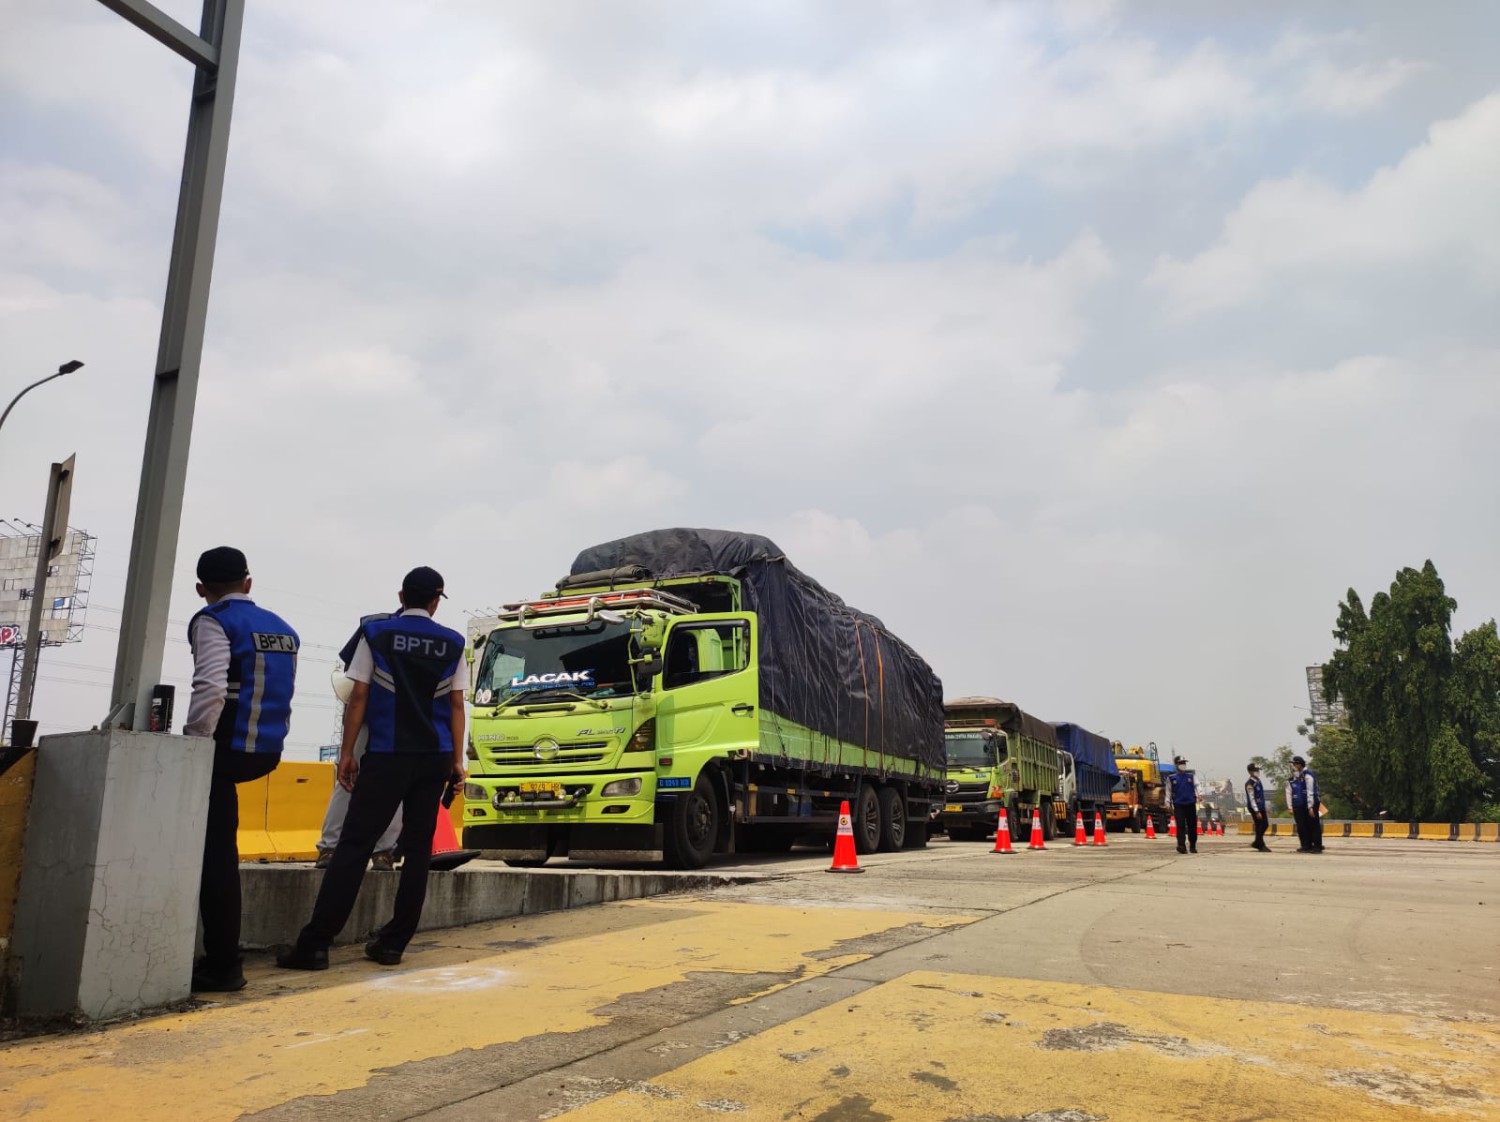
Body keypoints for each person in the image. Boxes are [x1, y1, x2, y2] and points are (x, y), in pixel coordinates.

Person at [278, 567, 466, 970]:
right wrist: (456, 762)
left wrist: (346, 753)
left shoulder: (377, 634)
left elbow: (358, 696)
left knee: (354, 845)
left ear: (401, 595)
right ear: (436, 601)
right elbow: (455, 704)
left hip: (387, 752)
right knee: (417, 852)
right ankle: (394, 943)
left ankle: (316, 943)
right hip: (433, 756)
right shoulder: (453, 642)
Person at [184, 546, 299, 992]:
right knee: (220, 850)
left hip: (223, 749)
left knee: (215, 858)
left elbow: (210, 686)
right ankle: (221, 958)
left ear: (201, 590)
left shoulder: (212, 620)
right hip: (266, 751)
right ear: (248, 582)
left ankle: (223, 965)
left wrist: (194, 747)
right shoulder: (283, 629)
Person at [315, 609, 403, 870]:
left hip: (367, 716)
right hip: (401, 722)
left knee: (347, 781)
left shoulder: (373, 625)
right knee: (395, 785)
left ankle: (330, 849)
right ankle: (383, 853)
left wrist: (347, 745)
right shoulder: (429, 635)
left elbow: (353, 681)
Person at [1287, 755, 1324, 853]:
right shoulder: (1301, 775)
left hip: (1312, 803)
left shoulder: (1308, 775)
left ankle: (1317, 846)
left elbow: (1310, 791)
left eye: (1294, 764)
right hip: (1306, 804)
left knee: (1314, 825)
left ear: (1299, 764)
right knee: (1306, 825)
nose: (1293, 766)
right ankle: (1307, 845)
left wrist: (1310, 807)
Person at [1168, 755, 1198, 854]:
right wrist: (1168, 803)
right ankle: (1181, 846)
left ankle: (1193, 846)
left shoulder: (1191, 776)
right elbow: (1168, 791)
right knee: (1180, 826)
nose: (1183, 765)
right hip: (1179, 804)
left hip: (1190, 804)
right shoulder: (1171, 778)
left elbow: (1197, 786)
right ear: (1176, 765)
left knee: (1192, 826)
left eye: (1184, 763)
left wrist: (1200, 794)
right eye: (1181, 763)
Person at [1245, 762, 1270, 851]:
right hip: (1255, 807)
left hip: (1261, 806)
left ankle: (1258, 842)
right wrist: (1256, 811)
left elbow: (1261, 796)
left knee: (1264, 824)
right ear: (1250, 772)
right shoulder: (1250, 783)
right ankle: (1259, 844)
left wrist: (1264, 807)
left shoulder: (1258, 781)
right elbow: (1252, 799)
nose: (1257, 772)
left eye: (1257, 770)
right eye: (1255, 770)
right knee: (1261, 825)